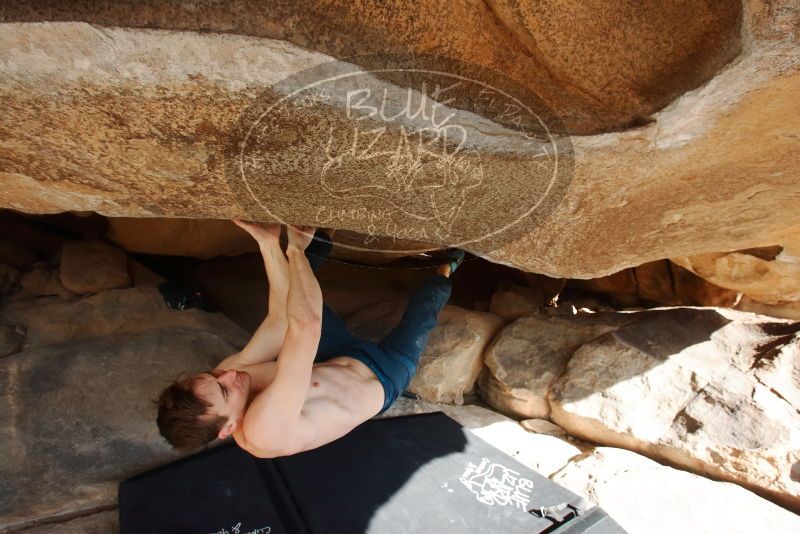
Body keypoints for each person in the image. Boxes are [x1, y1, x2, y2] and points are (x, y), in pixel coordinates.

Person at [156, 220, 464, 458]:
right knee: (424, 310)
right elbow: (306, 326)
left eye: (213, 375)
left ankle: (319, 235)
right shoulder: (264, 432)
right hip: (385, 375)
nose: (231, 374)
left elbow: (278, 319)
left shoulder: (227, 374)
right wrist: (294, 252)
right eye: (225, 391)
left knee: (292, 292)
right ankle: (446, 267)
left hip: (331, 354)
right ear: (228, 428)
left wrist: (267, 243)